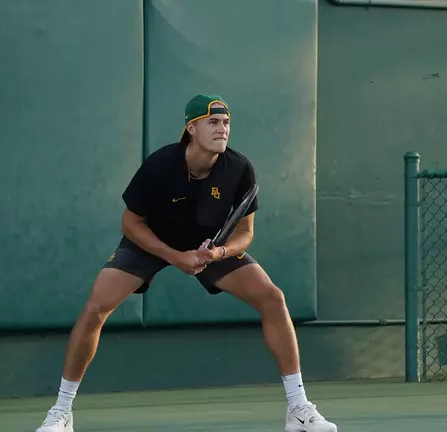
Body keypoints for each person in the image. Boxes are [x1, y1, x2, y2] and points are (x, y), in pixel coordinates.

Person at [35, 94, 338, 432]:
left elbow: (245, 233)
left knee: (273, 298)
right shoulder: (160, 165)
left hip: (208, 245)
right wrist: (174, 257)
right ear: (191, 128)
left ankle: (298, 408)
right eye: (213, 122)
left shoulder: (239, 168)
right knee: (95, 307)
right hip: (151, 242)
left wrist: (218, 253)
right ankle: (62, 412)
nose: (222, 129)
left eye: (226, 123)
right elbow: (130, 223)